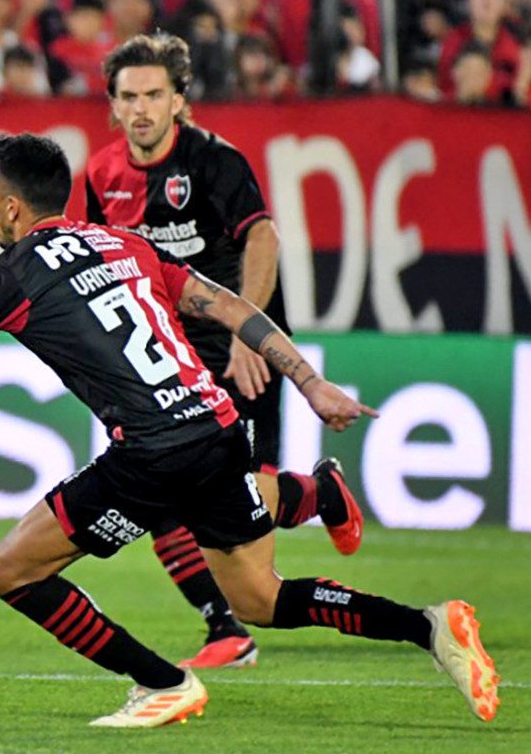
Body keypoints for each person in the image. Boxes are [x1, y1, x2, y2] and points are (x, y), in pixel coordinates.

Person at [0, 132, 499, 728]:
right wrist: (309, 381)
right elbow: (232, 308)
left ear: (13, 208)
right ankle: (430, 626)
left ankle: (162, 682)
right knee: (258, 600)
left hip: (153, 454)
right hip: (216, 429)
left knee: (13, 570)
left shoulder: (9, 272)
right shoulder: (128, 245)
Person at [84, 33, 364, 669]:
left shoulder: (214, 161)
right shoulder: (101, 174)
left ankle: (313, 502)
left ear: (180, 100)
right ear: (113, 105)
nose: (141, 109)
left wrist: (249, 332)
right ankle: (226, 627)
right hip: (167, 356)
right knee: (159, 488)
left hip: (239, 344)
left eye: (154, 94)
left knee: (227, 502)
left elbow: (260, 237)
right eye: (128, 97)